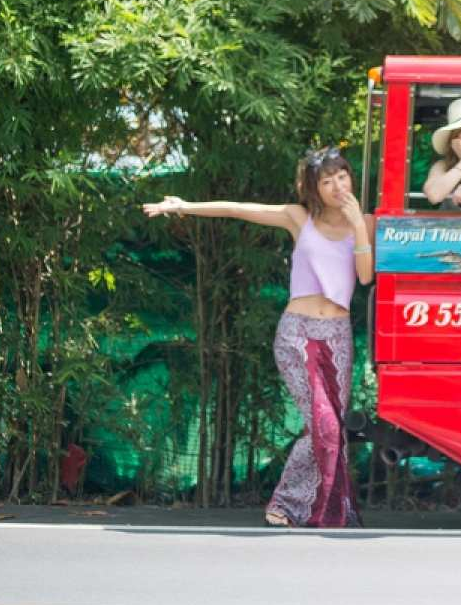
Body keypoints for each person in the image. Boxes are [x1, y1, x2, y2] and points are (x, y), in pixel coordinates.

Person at [142, 147, 371, 528]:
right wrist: (184, 206)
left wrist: (359, 227)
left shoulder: (368, 223)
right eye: (326, 180)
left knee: (330, 428)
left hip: (337, 338)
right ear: (314, 188)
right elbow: (238, 208)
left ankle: (326, 509)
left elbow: (364, 276)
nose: (337, 186)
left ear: (351, 178)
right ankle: (286, 503)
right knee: (325, 426)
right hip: (297, 334)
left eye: (342, 176)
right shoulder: (299, 217)